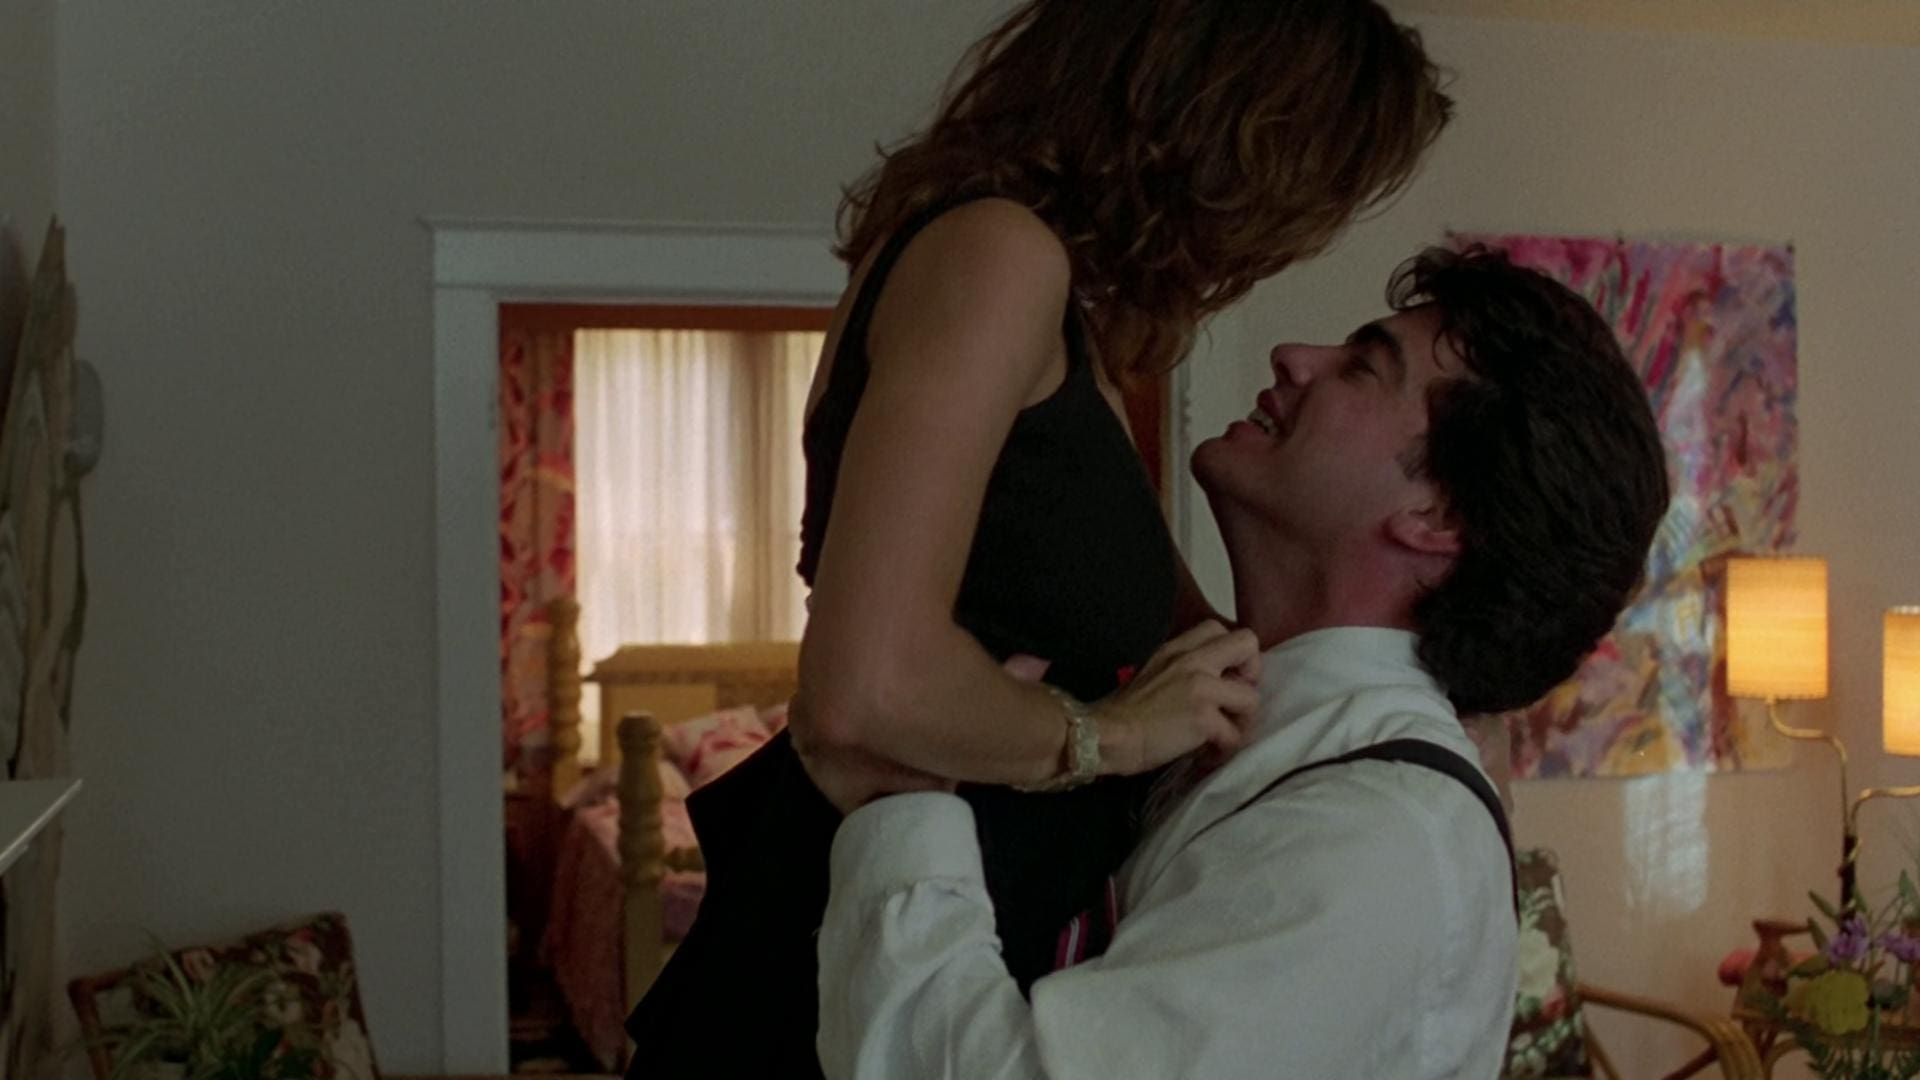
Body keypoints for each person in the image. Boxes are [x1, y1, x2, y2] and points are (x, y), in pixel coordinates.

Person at [625, 2, 1453, 1075]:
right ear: (1227, 133)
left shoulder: (1060, 313)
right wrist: (1106, 739)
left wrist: (1448, 713)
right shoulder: (997, 255)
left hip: (942, 940)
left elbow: (1200, 653)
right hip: (843, 969)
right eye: (1312, 183)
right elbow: (862, 693)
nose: (1297, 233)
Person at [811, 246, 1673, 1079]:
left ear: (1438, 518)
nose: (1294, 356)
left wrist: (905, 810)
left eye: (1363, 368)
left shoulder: (1378, 841)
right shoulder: (1235, 720)